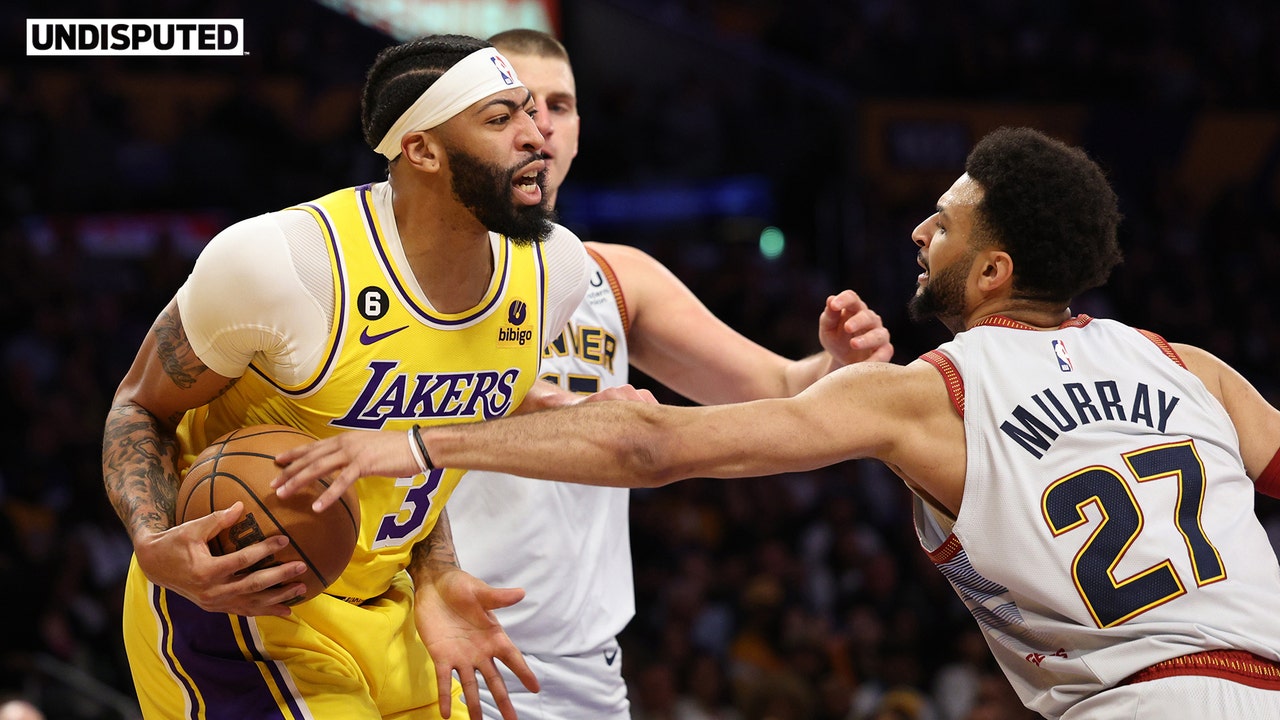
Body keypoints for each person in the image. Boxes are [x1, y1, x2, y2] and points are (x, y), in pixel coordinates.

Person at [277, 126, 1280, 719]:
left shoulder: (927, 390)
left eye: (945, 220)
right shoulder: (1186, 365)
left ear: (991, 271)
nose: (919, 229)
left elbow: (651, 443)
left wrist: (419, 436)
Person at [102, 33, 595, 720]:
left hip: (389, 605)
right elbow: (138, 407)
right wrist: (155, 545)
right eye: (500, 118)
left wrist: (436, 569)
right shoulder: (285, 265)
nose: (537, 134)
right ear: (421, 149)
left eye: (533, 112)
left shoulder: (556, 274)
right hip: (242, 606)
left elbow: (418, 449)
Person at [444, 29, 893, 720]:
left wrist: (837, 361)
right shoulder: (413, 270)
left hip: (581, 669)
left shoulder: (617, 278)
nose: (539, 127)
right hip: (440, 643)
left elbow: (777, 390)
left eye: (558, 106)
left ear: (579, 130)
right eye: (515, 107)